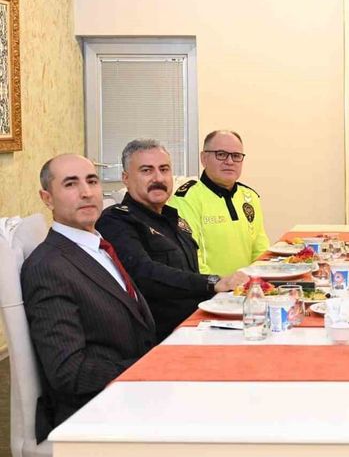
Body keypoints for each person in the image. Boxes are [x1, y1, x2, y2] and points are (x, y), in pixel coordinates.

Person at [21, 154, 155, 442]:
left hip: (131, 395)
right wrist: (152, 367)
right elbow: (69, 372)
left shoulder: (98, 247)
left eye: (92, 181)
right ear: (47, 198)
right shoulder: (49, 267)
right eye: (70, 184)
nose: (86, 192)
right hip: (94, 414)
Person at [96, 139, 248, 342]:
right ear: (126, 178)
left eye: (164, 169)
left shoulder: (173, 218)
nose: (158, 178)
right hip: (164, 339)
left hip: (200, 324)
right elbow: (144, 273)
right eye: (146, 171)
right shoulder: (116, 220)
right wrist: (212, 282)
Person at [169, 130, 270, 276]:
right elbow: (190, 261)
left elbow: (260, 251)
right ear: (204, 158)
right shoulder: (185, 200)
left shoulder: (249, 197)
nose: (229, 161)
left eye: (236, 156)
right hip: (209, 288)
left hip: (248, 287)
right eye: (221, 154)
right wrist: (219, 285)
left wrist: (258, 283)